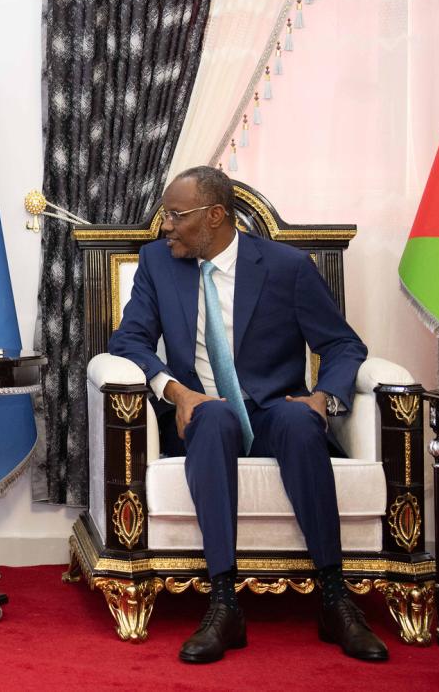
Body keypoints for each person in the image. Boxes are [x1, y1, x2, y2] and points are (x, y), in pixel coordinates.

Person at [109, 166, 387, 664]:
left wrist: (324, 397)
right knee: (213, 419)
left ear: (215, 216)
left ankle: (334, 597)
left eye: (176, 215)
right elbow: (129, 340)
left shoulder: (287, 267)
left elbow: (343, 345)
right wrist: (176, 391)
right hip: (203, 411)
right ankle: (224, 604)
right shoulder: (157, 263)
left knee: (301, 422)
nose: (166, 226)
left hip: (273, 409)